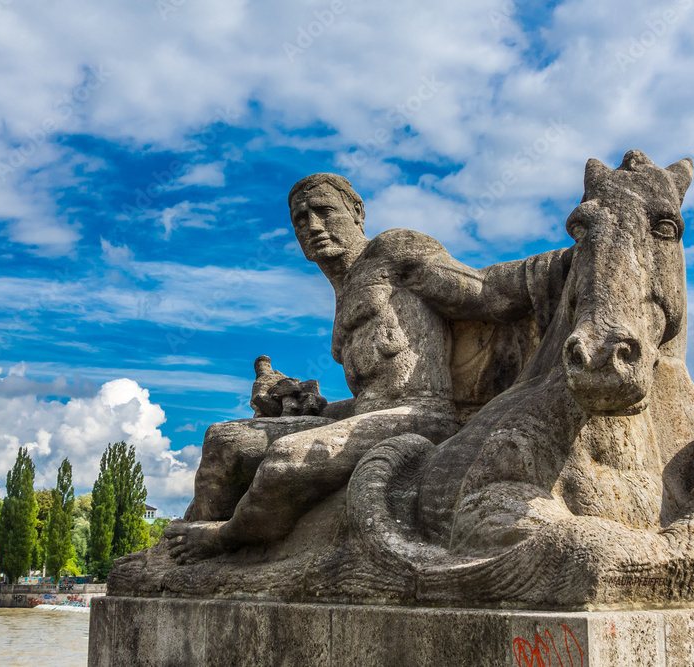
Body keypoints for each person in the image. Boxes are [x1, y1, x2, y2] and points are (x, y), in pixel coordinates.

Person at [166, 173, 571, 562]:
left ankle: (225, 538)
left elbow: (486, 290)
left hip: (423, 415)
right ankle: (180, 560)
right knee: (226, 439)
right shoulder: (343, 296)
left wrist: (577, 260)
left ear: (357, 210)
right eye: (300, 219)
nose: (312, 225)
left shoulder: (394, 251)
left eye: (324, 210)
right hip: (373, 416)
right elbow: (371, 397)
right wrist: (304, 402)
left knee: (287, 459)